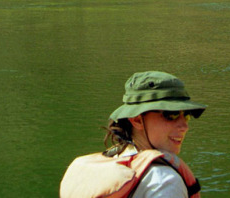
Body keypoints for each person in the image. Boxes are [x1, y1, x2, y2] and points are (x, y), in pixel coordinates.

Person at [60, 70, 206, 198]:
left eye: (186, 115)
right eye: (172, 114)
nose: (184, 126)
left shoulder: (107, 164)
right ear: (137, 120)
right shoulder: (164, 182)